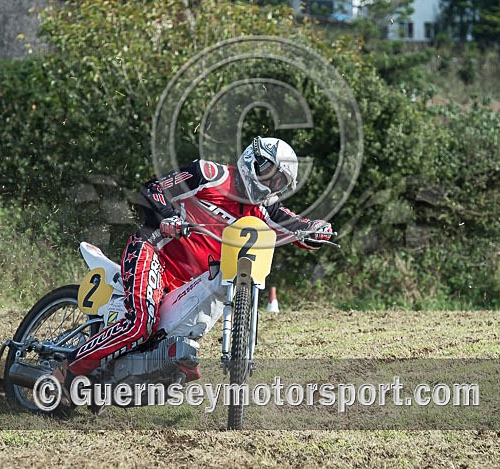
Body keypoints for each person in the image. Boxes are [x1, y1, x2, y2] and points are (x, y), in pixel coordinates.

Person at [57, 137, 332, 385]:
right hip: (154, 252)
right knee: (141, 323)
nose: (271, 185)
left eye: (279, 182)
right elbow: (153, 189)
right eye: (269, 174)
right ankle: (66, 372)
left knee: (172, 350)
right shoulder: (210, 174)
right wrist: (167, 218)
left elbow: (295, 225)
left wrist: (317, 228)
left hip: (186, 284)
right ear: (253, 159)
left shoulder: (265, 208)